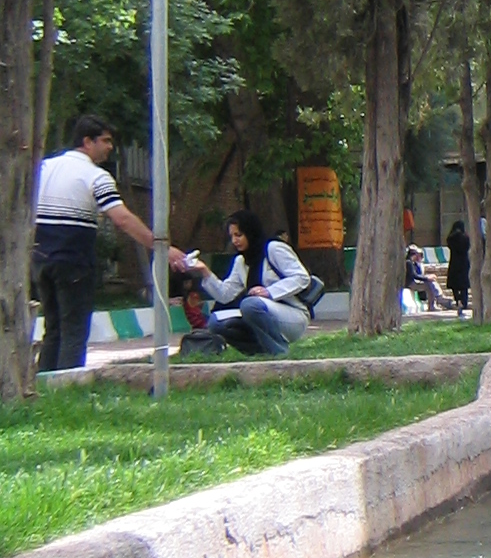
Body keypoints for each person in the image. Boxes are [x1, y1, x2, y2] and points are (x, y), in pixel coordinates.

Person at [32, 115, 181, 373]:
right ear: (87, 141)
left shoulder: (44, 167)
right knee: (74, 329)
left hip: (40, 259)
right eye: (106, 141)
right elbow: (122, 218)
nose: (110, 147)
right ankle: (69, 385)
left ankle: (44, 383)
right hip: (73, 261)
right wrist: (161, 247)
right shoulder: (95, 176)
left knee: (53, 328)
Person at [186, 211, 313, 357]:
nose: (234, 241)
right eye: (232, 236)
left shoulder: (273, 249)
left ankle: (280, 352)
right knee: (216, 323)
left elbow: (302, 277)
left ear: (250, 232)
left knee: (249, 304)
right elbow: (225, 295)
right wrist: (204, 271)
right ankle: (260, 353)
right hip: (258, 313)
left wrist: (269, 292)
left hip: (292, 316)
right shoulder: (241, 261)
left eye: (238, 235)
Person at [445, 220, 472, 315]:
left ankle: (458, 301)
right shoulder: (466, 237)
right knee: (464, 286)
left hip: (454, 263)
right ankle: (464, 303)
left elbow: (448, 243)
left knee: (455, 285)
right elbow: (468, 247)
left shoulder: (451, 238)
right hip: (464, 263)